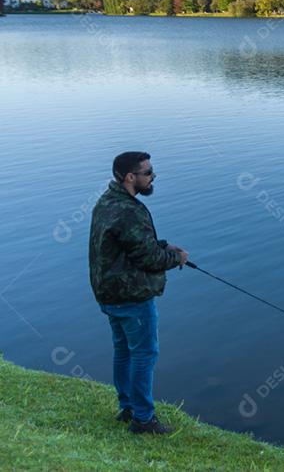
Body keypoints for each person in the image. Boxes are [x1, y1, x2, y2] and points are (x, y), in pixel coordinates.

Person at [89, 151, 188, 434]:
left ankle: (128, 407)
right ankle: (143, 419)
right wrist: (176, 258)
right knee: (144, 354)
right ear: (130, 177)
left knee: (123, 351)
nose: (153, 177)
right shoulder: (130, 211)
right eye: (148, 173)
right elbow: (149, 260)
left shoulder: (106, 201)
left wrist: (163, 244)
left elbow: (130, 242)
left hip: (108, 294)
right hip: (131, 297)